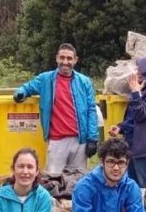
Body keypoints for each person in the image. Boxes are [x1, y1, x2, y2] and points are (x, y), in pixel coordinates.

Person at [13, 44, 99, 183]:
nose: (65, 62)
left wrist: (93, 139)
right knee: (53, 182)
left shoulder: (85, 82)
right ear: (57, 58)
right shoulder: (45, 79)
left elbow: (91, 109)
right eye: (62, 58)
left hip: (80, 141)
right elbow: (26, 87)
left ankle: (74, 206)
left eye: (69, 58)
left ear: (75, 60)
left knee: (78, 182)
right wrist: (19, 94)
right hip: (57, 141)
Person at [108, 55, 146, 188]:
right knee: (130, 186)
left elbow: (141, 114)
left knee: (145, 187)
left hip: (145, 148)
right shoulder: (141, 90)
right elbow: (133, 118)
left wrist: (135, 92)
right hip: (131, 146)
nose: (137, 72)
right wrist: (120, 127)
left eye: (141, 69)